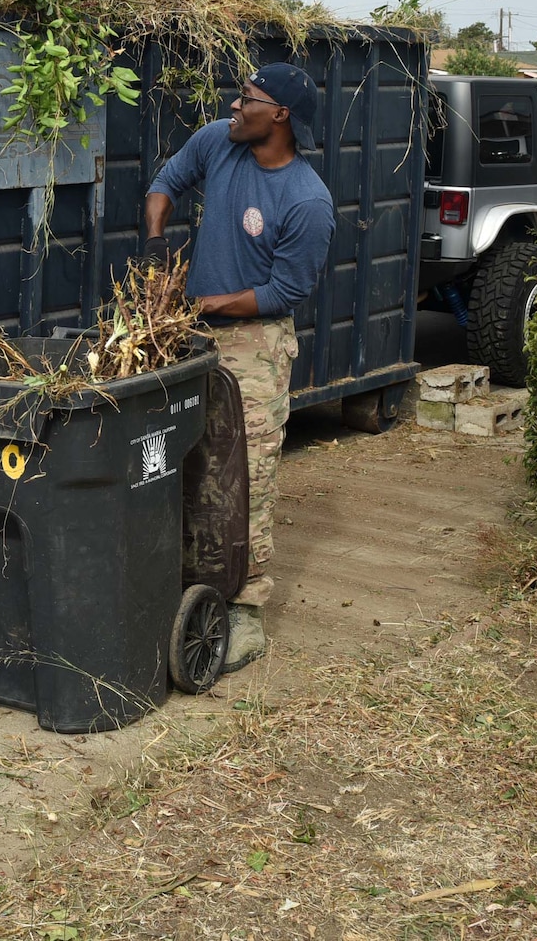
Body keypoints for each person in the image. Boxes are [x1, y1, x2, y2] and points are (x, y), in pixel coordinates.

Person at [140, 63, 335, 671]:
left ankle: (246, 611)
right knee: (175, 458)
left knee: (246, 474)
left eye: (247, 97)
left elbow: (285, 291)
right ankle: (176, 583)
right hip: (190, 337)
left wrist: (205, 302)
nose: (235, 103)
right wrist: (155, 247)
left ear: (279, 115)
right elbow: (165, 182)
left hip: (254, 345)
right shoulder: (219, 142)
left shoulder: (306, 201)